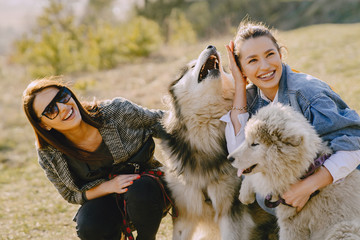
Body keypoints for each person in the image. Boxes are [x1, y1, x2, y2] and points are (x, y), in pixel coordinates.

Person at [221, 21, 360, 214]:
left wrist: (308, 187)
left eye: (270, 54)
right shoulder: (251, 99)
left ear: (280, 53)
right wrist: (239, 84)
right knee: (264, 195)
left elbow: (355, 145)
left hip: (344, 180)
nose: (265, 66)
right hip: (300, 181)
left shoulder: (308, 93)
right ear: (241, 68)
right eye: (252, 60)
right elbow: (240, 154)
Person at [22, 77, 171, 240]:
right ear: (44, 125)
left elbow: (164, 123)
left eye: (62, 97)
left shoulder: (115, 112)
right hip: (107, 202)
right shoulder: (48, 154)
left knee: (139, 189)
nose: (64, 108)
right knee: (89, 224)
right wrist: (109, 186)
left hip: (150, 192)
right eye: (51, 110)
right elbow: (70, 195)